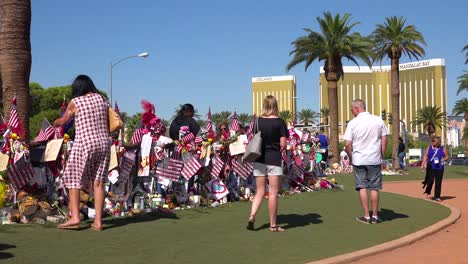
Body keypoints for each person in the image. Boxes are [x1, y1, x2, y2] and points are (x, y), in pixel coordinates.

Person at [53, 75, 111, 231]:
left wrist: (56, 122)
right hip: (104, 143)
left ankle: (75, 217)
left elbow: (64, 121)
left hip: (85, 143)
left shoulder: (76, 102)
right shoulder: (103, 100)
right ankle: (98, 222)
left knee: (73, 179)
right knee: (98, 182)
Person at [247, 95, 288, 232]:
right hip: (274, 159)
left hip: (259, 158)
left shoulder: (257, 121)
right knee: (273, 193)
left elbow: (255, 138)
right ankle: (273, 225)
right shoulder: (280, 122)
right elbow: (283, 144)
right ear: (275, 105)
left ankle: (252, 216)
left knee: (259, 191)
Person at [344, 99, 388, 224]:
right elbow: (384, 139)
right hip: (374, 158)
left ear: (357, 109)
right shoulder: (378, 120)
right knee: (375, 187)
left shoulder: (353, 123)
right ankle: (375, 215)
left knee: (362, 186)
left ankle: (366, 216)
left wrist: (352, 157)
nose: (352, 112)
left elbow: (347, 144)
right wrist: (381, 155)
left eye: (352, 109)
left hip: (359, 159)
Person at [421, 136, 449, 201]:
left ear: (438, 142)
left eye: (434, 141)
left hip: (439, 167)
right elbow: (425, 156)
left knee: (438, 182)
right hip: (431, 166)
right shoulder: (429, 147)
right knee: (430, 181)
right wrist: (422, 164)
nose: (432, 142)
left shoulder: (443, 149)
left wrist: (443, 159)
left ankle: (437, 196)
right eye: (432, 141)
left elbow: (447, 156)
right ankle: (428, 192)